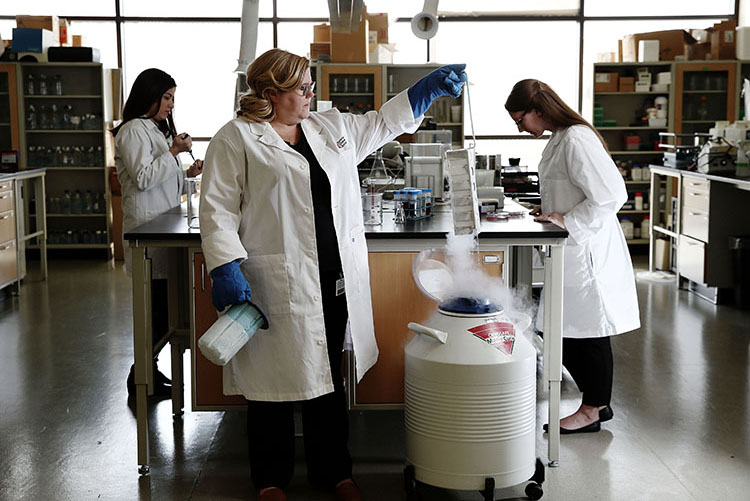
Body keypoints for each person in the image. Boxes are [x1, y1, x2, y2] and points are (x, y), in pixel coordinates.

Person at [199, 48, 466, 501]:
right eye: (300, 89)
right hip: (271, 281)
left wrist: (424, 92)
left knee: (329, 379)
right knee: (270, 385)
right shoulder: (237, 138)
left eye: (310, 86)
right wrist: (224, 263)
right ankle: (269, 480)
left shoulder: (329, 127)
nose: (310, 94)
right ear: (270, 94)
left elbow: (382, 124)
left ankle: (335, 472)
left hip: (333, 276)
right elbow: (218, 208)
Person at [505, 79, 640, 434]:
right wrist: (547, 209)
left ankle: (595, 408)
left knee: (589, 331)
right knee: (563, 328)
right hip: (571, 247)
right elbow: (570, 189)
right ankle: (596, 403)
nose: (520, 128)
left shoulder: (576, 138)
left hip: (588, 248)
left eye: (521, 119)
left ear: (538, 110)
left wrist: (568, 220)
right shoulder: (559, 139)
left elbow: (611, 195)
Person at [112, 68, 203, 397]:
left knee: (163, 309)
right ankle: (139, 378)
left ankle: (146, 371)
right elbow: (143, 178)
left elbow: (166, 180)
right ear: (149, 96)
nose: (171, 105)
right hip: (145, 231)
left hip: (162, 227)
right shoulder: (134, 130)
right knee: (156, 310)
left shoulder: (154, 131)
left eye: (173, 98)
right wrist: (175, 153)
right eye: (167, 97)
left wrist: (187, 172)